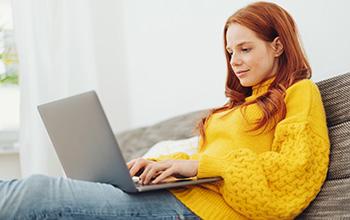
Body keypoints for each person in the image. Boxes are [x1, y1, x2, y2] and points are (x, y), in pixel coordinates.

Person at [0, 1, 330, 219]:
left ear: (278, 45)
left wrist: (193, 167)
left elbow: (292, 175)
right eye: (230, 52)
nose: (235, 61)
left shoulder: (300, 93)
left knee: (38, 193)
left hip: (206, 212)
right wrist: (159, 166)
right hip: (182, 199)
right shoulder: (235, 108)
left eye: (245, 49)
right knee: (46, 191)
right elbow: (209, 164)